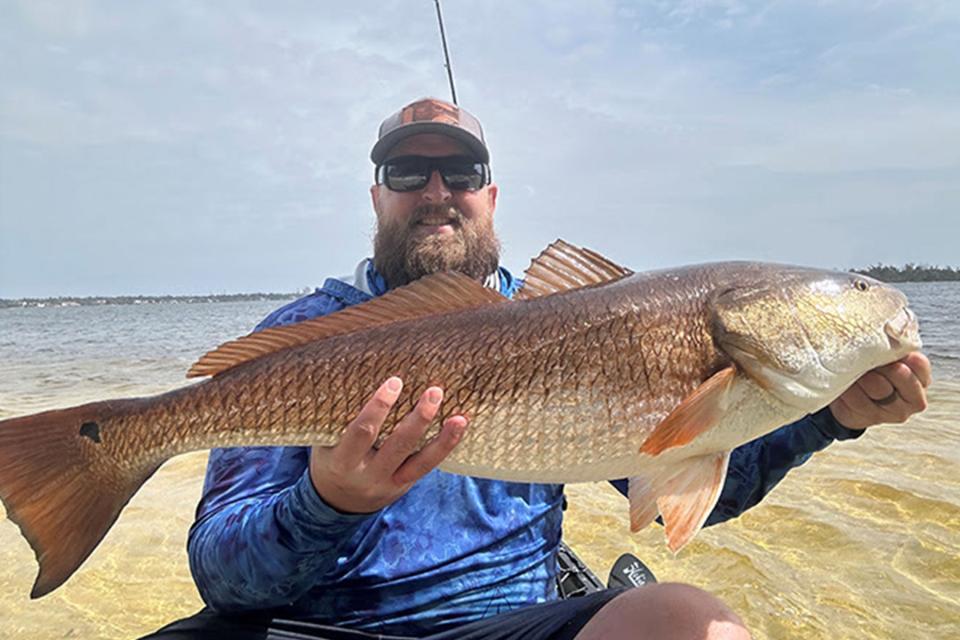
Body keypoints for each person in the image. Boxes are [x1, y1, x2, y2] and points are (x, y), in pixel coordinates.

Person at [144, 98, 932, 640]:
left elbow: (684, 494)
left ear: (491, 194)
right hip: (318, 627)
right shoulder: (303, 337)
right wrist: (327, 502)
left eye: (458, 173)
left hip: (510, 625)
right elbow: (223, 576)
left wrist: (835, 416)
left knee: (698, 627)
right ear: (376, 196)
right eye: (408, 175)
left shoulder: (590, 314)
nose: (436, 193)